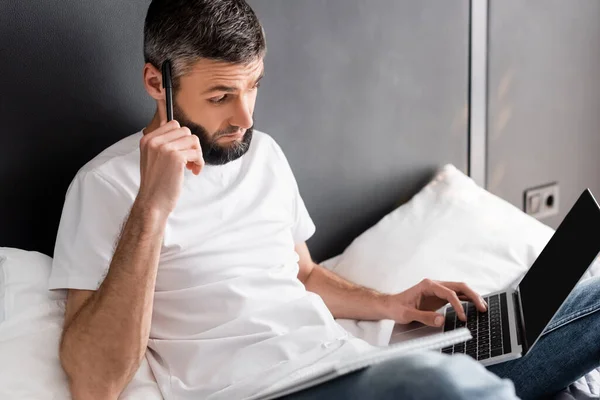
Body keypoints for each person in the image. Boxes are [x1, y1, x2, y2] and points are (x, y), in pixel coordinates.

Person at [49, 1, 600, 399]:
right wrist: (152, 209)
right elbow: (96, 379)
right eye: (220, 97)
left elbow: (303, 274)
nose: (245, 119)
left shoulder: (262, 154)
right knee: (451, 386)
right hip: (272, 390)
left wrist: (392, 303)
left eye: (253, 86)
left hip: (355, 365)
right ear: (156, 82)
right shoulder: (105, 187)